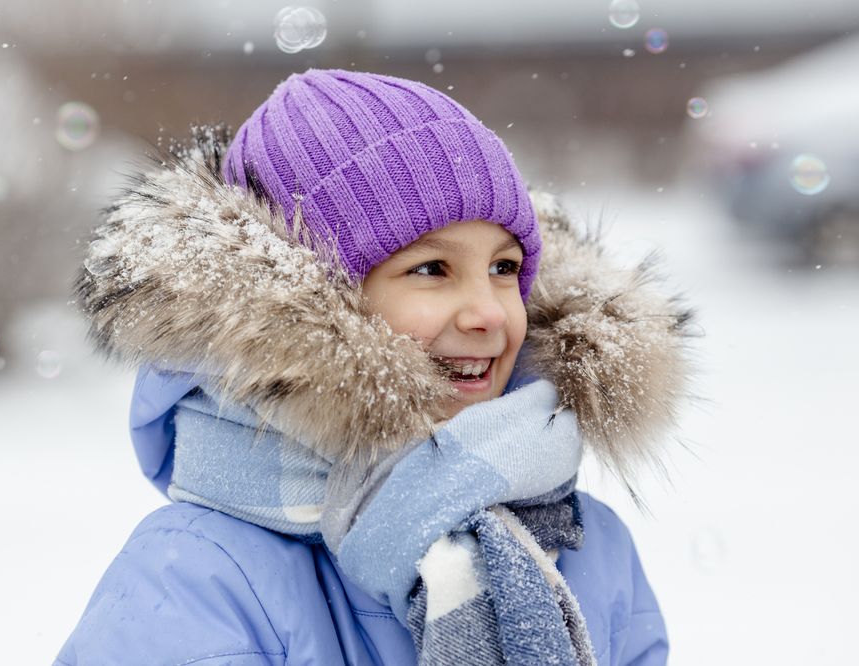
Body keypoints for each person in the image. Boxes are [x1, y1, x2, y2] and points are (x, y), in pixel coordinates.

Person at [57, 68, 692, 666]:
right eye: (432, 269)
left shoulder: (586, 547)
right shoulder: (200, 577)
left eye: (504, 268)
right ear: (320, 305)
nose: (489, 313)